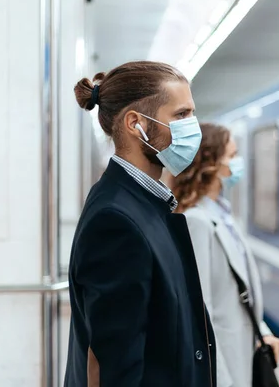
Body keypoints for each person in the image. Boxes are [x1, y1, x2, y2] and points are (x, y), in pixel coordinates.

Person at [64, 61, 217, 387]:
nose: (193, 126)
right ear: (136, 124)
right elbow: (115, 366)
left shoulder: (142, 203)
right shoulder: (116, 222)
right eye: (180, 115)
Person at [171, 123, 279, 387]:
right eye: (232, 156)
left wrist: (262, 332)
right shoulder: (196, 222)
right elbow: (201, 312)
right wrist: (219, 380)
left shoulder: (221, 214)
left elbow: (238, 292)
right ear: (211, 165)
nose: (237, 163)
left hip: (242, 351)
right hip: (224, 367)